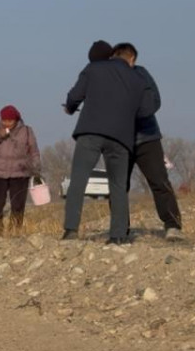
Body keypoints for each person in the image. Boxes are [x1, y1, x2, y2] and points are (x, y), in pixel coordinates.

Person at [61, 43, 156, 244]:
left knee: (78, 180)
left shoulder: (93, 69)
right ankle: (118, 235)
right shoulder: (137, 79)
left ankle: (71, 230)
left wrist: (70, 108)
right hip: (121, 137)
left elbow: (74, 96)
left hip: (90, 132)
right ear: (130, 59)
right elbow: (147, 108)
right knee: (118, 185)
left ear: (114, 55)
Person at [111, 43, 184, 240]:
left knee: (159, 182)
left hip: (147, 138)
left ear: (131, 60)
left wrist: (133, 114)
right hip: (119, 140)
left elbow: (154, 101)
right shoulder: (109, 77)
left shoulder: (142, 74)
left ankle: (172, 225)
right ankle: (120, 229)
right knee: (118, 186)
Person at [0, 105, 40, 234]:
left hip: (20, 172)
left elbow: (34, 151)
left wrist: (35, 167)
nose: (7, 123)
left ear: (16, 119)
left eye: (10, 120)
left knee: (18, 204)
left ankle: (15, 229)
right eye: (4, 120)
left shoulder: (26, 131)